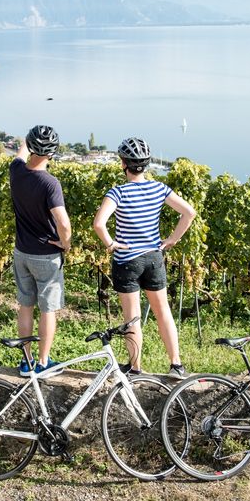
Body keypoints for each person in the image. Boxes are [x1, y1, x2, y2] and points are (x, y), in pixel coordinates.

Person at [93, 137, 196, 379]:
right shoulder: (159, 189)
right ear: (146, 164)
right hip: (153, 258)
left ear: (123, 164)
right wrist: (172, 239)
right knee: (163, 311)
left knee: (132, 317)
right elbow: (189, 212)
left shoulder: (117, 192)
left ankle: (136, 368)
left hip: (127, 261)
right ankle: (176, 365)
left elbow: (99, 223)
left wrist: (110, 243)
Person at [9, 124, 72, 375]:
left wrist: (28, 138)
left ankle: (26, 363)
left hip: (21, 252)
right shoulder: (50, 183)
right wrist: (65, 243)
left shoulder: (15, 171)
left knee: (26, 306)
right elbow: (63, 222)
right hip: (46, 256)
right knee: (48, 309)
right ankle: (44, 363)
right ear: (53, 153)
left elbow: (20, 152)